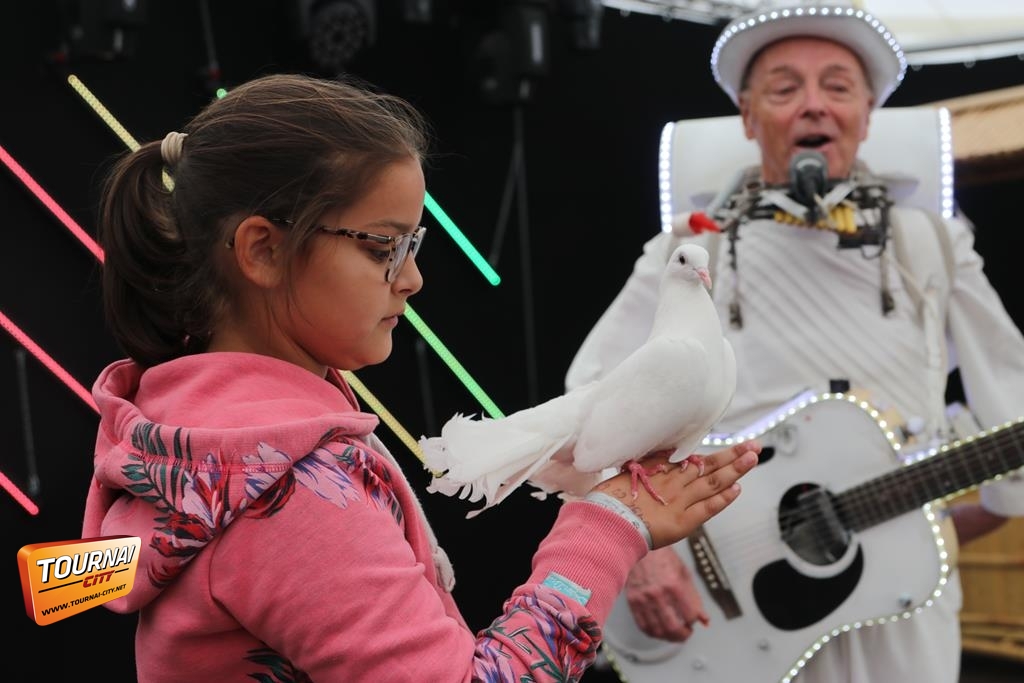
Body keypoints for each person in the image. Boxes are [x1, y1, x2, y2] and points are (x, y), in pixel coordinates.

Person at [80, 73, 758, 682]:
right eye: (384, 245)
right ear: (263, 250)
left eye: (414, 244)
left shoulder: (187, 431)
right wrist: (605, 530)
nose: (412, 278)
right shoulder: (291, 490)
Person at [566, 3, 1024, 683]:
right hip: (719, 610)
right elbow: (589, 400)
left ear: (868, 113)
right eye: (785, 89)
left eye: (838, 87)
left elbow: (1010, 393)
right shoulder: (691, 250)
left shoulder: (931, 241)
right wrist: (641, 549)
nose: (814, 105)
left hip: (901, 611)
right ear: (748, 117)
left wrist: (948, 519)